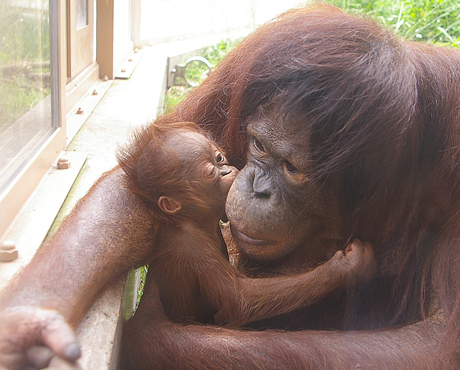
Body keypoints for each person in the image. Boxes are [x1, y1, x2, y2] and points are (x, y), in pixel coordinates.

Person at [2, 3, 460, 369]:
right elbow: (142, 182)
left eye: (295, 169)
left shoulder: (443, 155)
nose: (252, 189)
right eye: (257, 146)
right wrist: (41, 300)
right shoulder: (270, 68)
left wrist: (172, 345)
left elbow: (443, 348)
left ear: (364, 179)